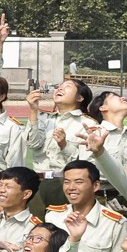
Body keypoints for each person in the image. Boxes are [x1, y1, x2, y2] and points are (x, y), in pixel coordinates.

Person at [24, 81, 94, 213]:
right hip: (38, 181)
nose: (60, 89)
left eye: (67, 87)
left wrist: (64, 145)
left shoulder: (88, 124)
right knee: (35, 223)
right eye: (59, 87)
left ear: (80, 97)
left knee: (64, 223)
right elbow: (33, 144)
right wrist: (33, 110)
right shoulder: (43, 118)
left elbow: (87, 163)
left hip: (66, 184)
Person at [43, 160, 127, 252]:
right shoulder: (53, 217)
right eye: (67, 182)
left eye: (79, 182)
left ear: (95, 186)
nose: (71, 187)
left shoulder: (115, 224)